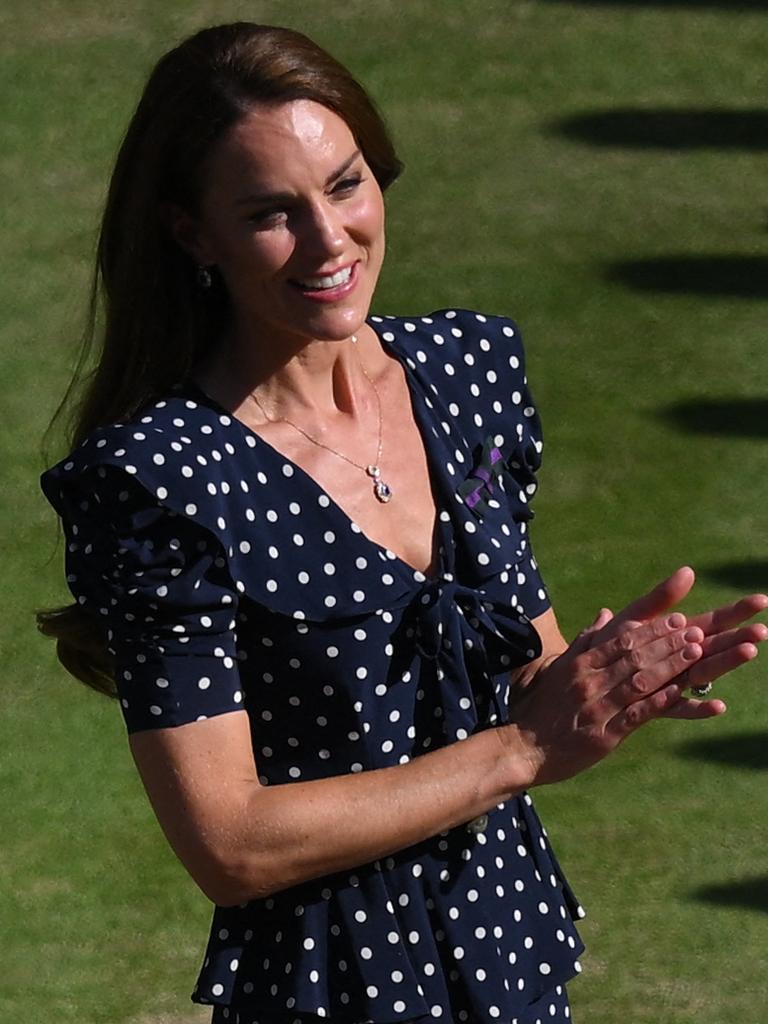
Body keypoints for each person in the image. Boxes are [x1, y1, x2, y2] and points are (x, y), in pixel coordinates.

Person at [38, 22, 767, 1024]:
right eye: (270, 213)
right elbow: (231, 841)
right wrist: (521, 749)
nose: (330, 238)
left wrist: (611, 681)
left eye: (345, 185)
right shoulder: (161, 482)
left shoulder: (470, 373)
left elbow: (526, 662)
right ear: (190, 232)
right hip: (331, 993)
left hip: (512, 958)